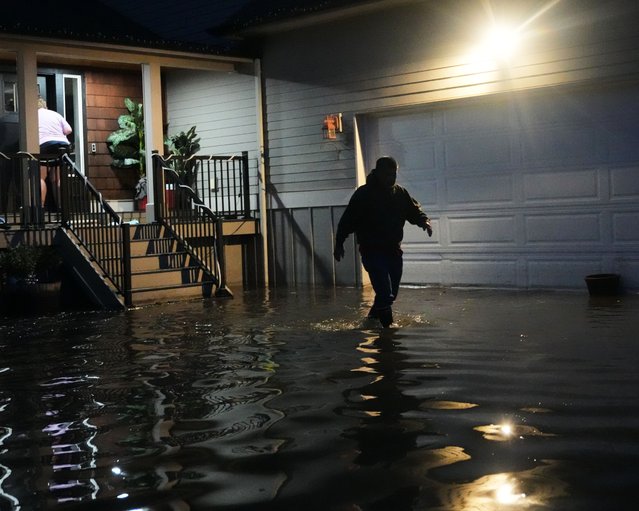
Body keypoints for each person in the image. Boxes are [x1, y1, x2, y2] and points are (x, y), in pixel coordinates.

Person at [333, 156, 432, 328]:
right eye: (387, 175)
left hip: (393, 250)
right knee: (385, 292)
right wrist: (339, 243)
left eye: (394, 174)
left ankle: (371, 321)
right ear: (377, 173)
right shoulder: (364, 194)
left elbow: (413, 211)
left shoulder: (400, 193)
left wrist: (424, 221)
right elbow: (347, 220)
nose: (391, 178)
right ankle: (389, 333)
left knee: (391, 294)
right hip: (372, 250)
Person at [38, 97, 72, 208]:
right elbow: (68, 130)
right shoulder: (55, 114)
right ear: (45, 105)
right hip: (62, 145)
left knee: (41, 177)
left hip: (45, 145)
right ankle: (62, 208)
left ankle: (40, 209)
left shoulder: (33, 115)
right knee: (57, 178)